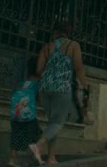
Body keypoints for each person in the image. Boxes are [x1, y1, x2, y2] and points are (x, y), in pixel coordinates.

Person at [33, 22, 86, 165]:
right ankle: (38, 145)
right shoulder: (73, 46)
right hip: (61, 88)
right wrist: (84, 84)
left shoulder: (46, 47)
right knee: (58, 122)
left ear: (55, 32)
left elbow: (38, 70)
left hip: (45, 88)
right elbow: (79, 67)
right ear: (68, 32)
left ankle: (51, 158)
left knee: (53, 123)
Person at [10, 57, 42, 166]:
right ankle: (33, 159)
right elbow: (39, 101)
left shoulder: (21, 83)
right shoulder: (37, 85)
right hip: (29, 117)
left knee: (15, 135)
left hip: (16, 114)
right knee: (35, 135)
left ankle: (13, 160)